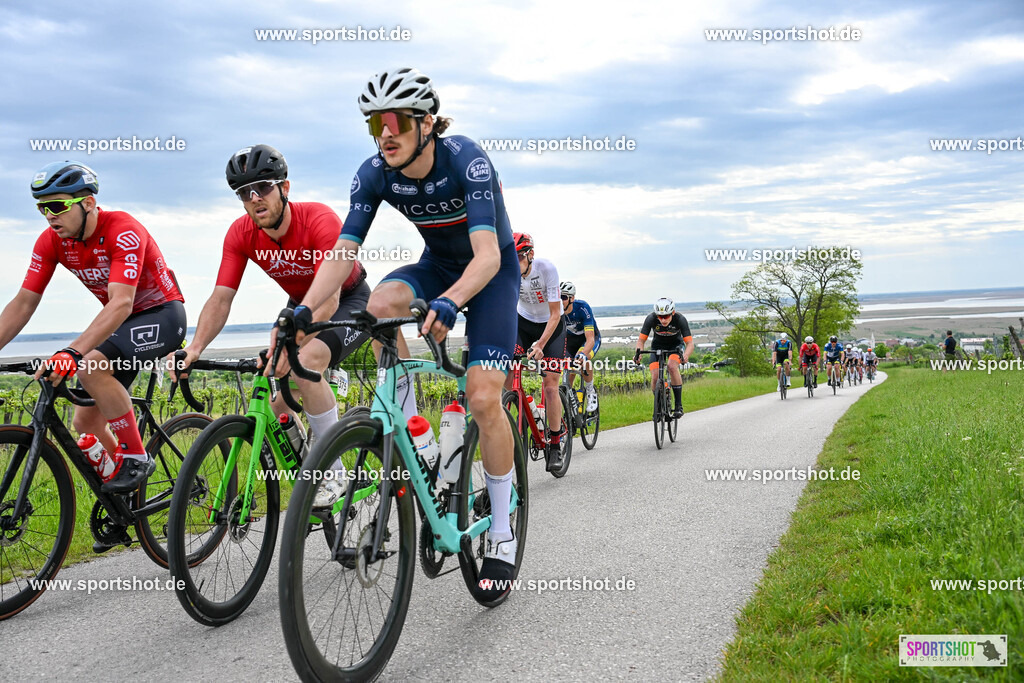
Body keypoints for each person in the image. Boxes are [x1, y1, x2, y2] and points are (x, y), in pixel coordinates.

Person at [287, 67, 520, 597]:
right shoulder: (374, 173)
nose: (384, 133)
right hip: (437, 265)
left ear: (428, 123)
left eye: (395, 121)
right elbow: (343, 254)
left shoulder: (468, 160)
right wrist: (303, 311)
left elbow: (485, 258)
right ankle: (413, 422)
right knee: (381, 301)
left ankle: (502, 532)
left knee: (484, 398)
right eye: (374, 124)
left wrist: (452, 300)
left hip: (490, 276)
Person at [175, 144, 370, 509]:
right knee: (277, 403)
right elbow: (220, 298)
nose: (254, 199)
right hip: (299, 306)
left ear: (285, 187)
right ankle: (307, 465)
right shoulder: (241, 233)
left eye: (263, 187)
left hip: (348, 299)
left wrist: (294, 345)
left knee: (307, 362)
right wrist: (195, 347)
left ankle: (334, 474)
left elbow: (327, 299)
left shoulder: (319, 220)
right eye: (243, 193)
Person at [0, 161, 185, 495]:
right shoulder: (51, 241)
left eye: (56, 206)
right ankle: (125, 502)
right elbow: (23, 304)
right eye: (42, 208)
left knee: (90, 366)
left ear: (87, 203)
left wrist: (72, 351)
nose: (49, 216)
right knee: (85, 422)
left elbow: (121, 303)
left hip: (162, 315)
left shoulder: (123, 230)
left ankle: (136, 457)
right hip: (123, 323)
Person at [506, 233, 566, 471]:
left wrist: (541, 344)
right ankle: (528, 407)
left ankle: (554, 444)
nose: (514, 262)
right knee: (505, 370)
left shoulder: (546, 269)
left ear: (530, 255)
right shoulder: (508, 271)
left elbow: (554, 314)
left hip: (550, 326)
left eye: (519, 257)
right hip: (523, 322)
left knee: (550, 385)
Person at [634, 298, 694, 418]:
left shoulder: (680, 319)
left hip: (675, 346)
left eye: (666, 316)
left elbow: (690, 344)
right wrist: (638, 353)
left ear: (672, 313)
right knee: (655, 375)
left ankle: (678, 405)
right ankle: (659, 405)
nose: (663, 319)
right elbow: (641, 340)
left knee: (672, 367)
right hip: (657, 346)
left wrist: (686, 355)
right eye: (660, 317)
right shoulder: (651, 319)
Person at [560, 281, 601, 412]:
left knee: (582, 359)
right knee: (568, 367)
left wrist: (583, 354)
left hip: (589, 339)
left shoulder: (582, 308)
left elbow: (590, 339)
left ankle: (590, 391)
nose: (560, 301)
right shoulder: (556, 310)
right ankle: (569, 399)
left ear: (571, 298)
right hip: (571, 340)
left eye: (564, 297)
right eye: (558, 297)